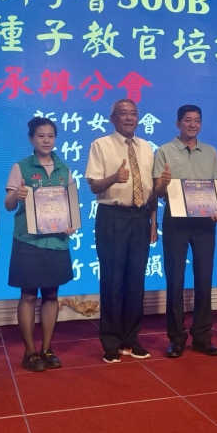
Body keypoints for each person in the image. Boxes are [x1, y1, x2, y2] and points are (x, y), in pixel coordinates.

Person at [85, 99, 158, 364]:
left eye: (133, 113)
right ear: (112, 118)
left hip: (140, 216)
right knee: (112, 280)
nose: (129, 117)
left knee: (136, 281)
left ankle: (132, 339)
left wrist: (153, 222)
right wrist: (114, 178)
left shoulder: (147, 147)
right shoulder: (101, 144)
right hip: (112, 216)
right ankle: (111, 342)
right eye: (123, 113)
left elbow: (151, 191)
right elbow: (94, 186)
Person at [4, 117, 75, 372]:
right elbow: (8, 205)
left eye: (50, 136)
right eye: (41, 136)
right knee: (28, 295)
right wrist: (16, 194)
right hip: (29, 241)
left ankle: (47, 348)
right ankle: (30, 352)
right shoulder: (21, 167)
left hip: (56, 241)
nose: (46, 140)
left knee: (52, 295)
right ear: (31, 139)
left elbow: (71, 207)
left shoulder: (64, 168)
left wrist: (71, 223)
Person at [153, 105, 217, 358]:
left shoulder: (211, 152)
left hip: (205, 221)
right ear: (178, 123)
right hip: (175, 219)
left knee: (204, 279)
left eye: (197, 121)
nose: (192, 125)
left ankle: (203, 337)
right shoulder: (164, 150)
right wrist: (163, 183)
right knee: (175, 280)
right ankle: (176, 338)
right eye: (187, 120)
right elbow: (157, 192)